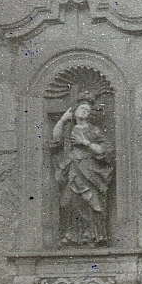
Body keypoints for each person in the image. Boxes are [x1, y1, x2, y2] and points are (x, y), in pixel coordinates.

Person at [50, 98, 114, 244]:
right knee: (68, 201)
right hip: (73, 168)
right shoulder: (69, 129)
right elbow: (56, 139)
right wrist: (62, 120)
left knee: (91, 201)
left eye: (87, 110)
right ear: (75, 111)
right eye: (82, 108)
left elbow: (106, 150)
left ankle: (94, 235)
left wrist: (85, 143)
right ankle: (72, 235)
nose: (84, 111)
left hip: (90, 170)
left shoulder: (93, 130)